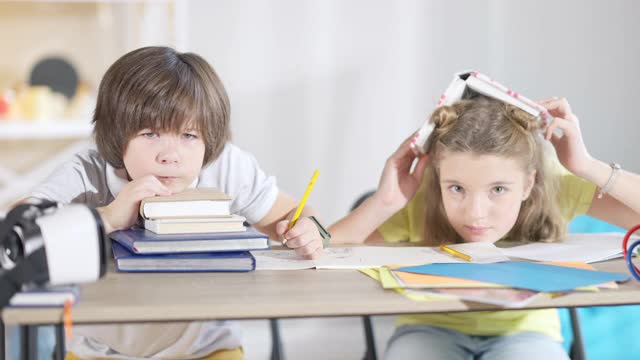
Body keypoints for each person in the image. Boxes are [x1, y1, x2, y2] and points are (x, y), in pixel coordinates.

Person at [26, 46, 327, 359]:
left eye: (189, 135)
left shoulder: (225, 166)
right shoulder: (87, 174)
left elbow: (294, 213)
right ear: (117, 134)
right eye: (150, 133)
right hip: (101, 350)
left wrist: (309, 228)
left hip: (207, 348)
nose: (170, 155)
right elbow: (17, 236)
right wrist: (108, 217)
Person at [329, 95, 640, 359]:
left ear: (529, 182)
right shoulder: (422, 198)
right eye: (457, 189)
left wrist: (586, 166)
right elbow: (329, 248)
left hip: (526, 333)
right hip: (429, 327)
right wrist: (384, 201)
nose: (476, 214)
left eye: (498, 190)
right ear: (438, 179)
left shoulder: (556, 187)